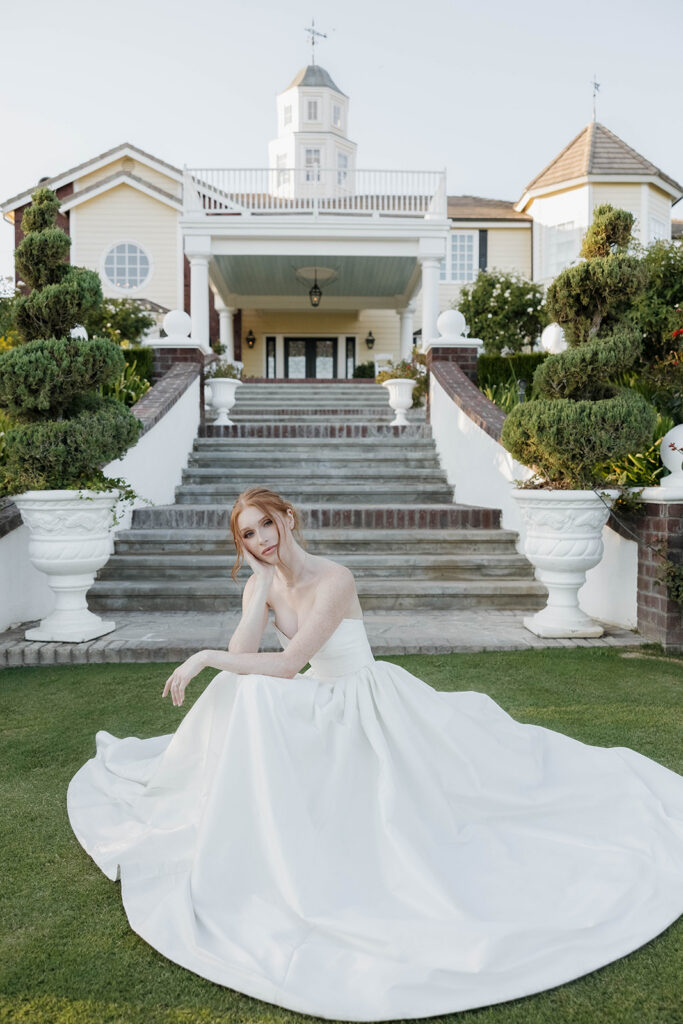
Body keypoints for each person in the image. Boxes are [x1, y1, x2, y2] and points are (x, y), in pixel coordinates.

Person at [68, 487, 683, 1023]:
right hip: (318, 699)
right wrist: (255, 595)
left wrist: (201, 658)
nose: (259, 540)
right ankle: (235, 814)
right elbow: (248, 655)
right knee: (243, 692)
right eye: (247, 535)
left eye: (265, 525)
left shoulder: (335, 580)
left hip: (363, 700)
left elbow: (284, 664)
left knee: (252, 690)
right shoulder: (265, 581)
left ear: (289, 518)